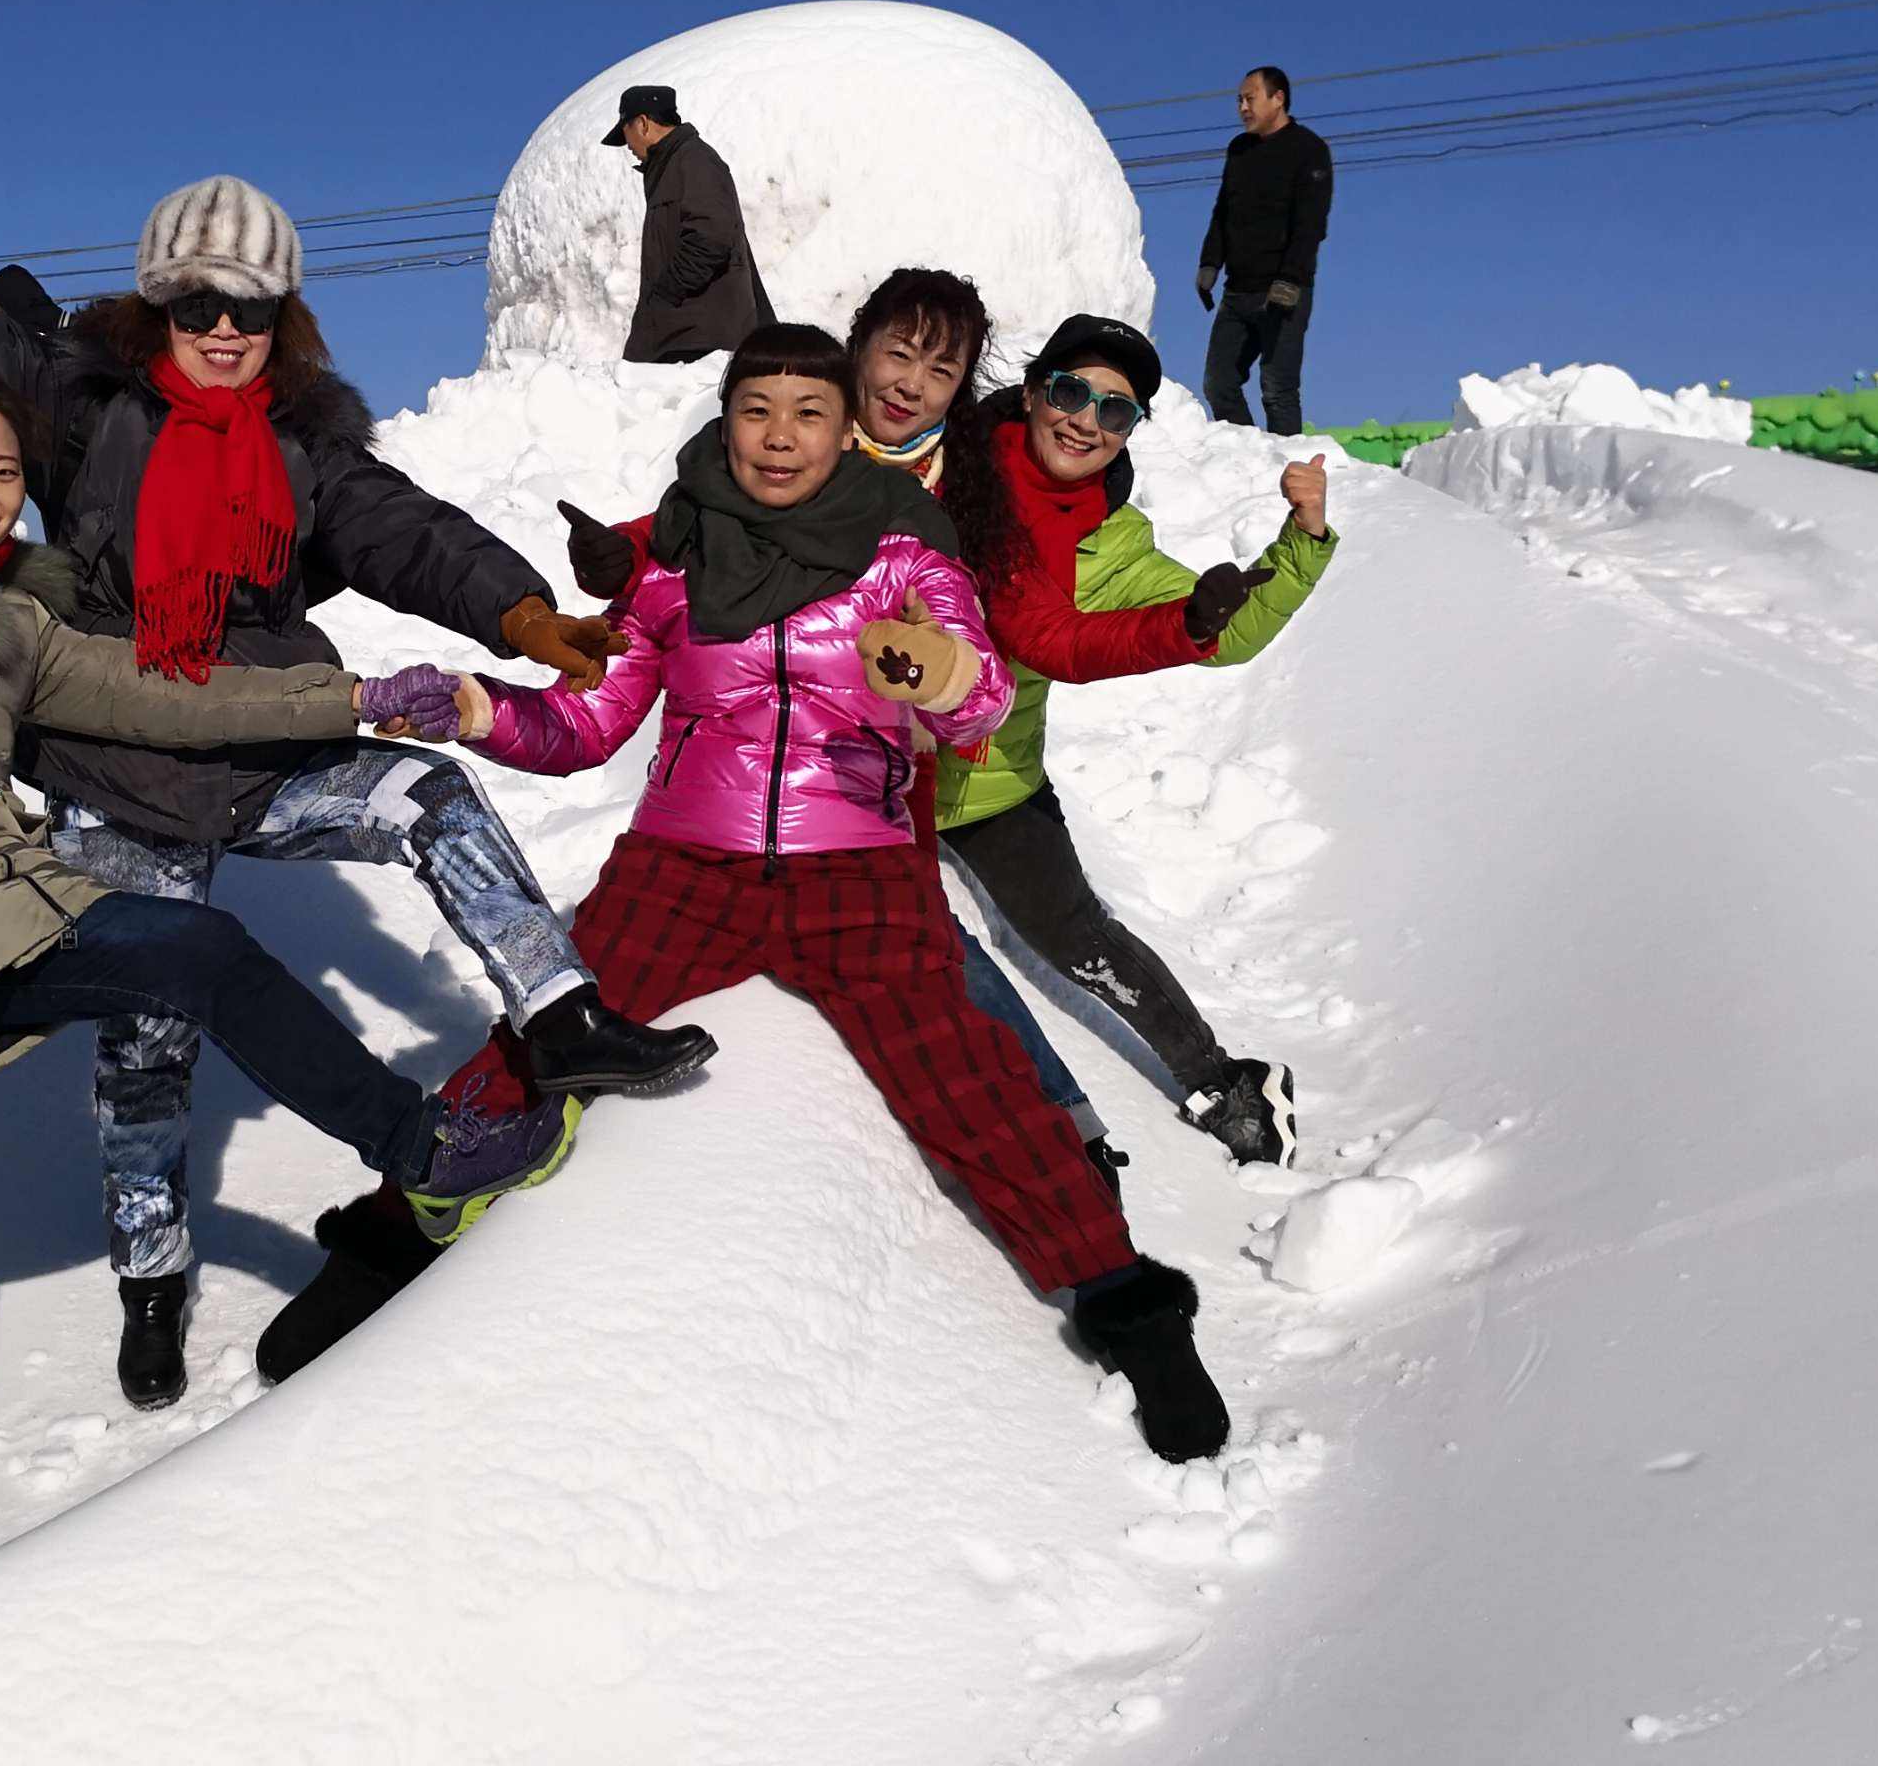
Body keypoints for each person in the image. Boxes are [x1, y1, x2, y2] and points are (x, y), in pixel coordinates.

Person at [0, 131, 711, 1412]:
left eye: (255, 307)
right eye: (201, 303)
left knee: (424, 794)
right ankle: (151, 1273)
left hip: (267, 741)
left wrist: (515, 611)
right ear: (158, 303)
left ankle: (560, 1018)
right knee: (146, 1047)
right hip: (120, 762)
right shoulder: (82, 406)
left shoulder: (307, 448)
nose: (226, 329)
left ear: (286, 317)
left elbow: (405, 533)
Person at [0, 380, 580, 1607]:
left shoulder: (14, 626)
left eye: (1, 473)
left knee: (195, 948)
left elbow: (173, 694)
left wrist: (353, 700)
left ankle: (424, 1144)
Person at [277, 325, 1232, 1464]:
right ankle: (391, 1237)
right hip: (685, 864)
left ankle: (1126, 1300)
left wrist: (944, 675)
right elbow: (585, 721)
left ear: (846, 429)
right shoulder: (674, 563)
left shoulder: (908, 558)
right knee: (545, 1037)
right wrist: (477, 708)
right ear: (727, 418)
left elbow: (975, 707)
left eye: (808, 411)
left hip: (860, 863)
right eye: (757, 408)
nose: (781, 436)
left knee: (959, 1067)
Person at [555, 271, 1225, 1173]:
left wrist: (1176, 625)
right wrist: (627, 552)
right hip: (803, 757)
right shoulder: (803, 433)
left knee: (1006, 934)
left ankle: (1125, 1105)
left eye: (940, 371)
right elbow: (706, 518)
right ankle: (1061, 1123)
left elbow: (1041, 628)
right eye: (897, 353)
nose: (910, 383)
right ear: (858, 347)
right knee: (918, 936)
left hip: (942, 753)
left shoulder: (978, 483)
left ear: (965, 388)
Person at [937, 314, 1337, 1164]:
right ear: (1033, 389)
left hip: (990, 782)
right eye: (1072, 391)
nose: (1087, 419)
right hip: (862, 770)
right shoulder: (943, 465)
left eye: (1115, 411)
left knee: (1079, 936)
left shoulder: (1112, 545)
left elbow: (1220, 632)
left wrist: (1297, 544)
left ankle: (1223, 1083)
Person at [1194, 66, 1333, 437]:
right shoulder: (1239, 150)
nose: (1242, 107)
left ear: (1278, 98)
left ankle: (1287, 468)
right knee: (1218, 383)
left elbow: (1310, 226)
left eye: (1249, 98)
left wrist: (1289, 281)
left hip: (1284, 290)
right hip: (1238, 292)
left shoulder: (1309, 150)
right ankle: (1251, 459)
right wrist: (1210, 262)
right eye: (1238, 100)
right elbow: (1223, 210)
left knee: (1277, 389)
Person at [609, 84, 773, 363]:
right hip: (680, 336)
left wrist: (666, 294)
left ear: (643, 123)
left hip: (700, 340)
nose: (628, 148)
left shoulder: (695, 160)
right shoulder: (671, 166)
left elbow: (712, 237)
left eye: (625, 134)